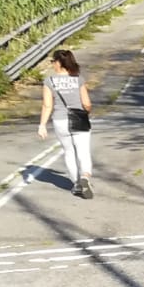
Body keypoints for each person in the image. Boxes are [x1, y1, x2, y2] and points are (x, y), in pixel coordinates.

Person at [39, 48, 94, 198]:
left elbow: (47, 105)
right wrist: (86, 112)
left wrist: (42, 125)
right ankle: (85, 178)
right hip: (79, 118)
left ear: (58, 63)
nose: (52, 64)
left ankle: (76, 183)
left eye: (52, 62)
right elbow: (86, 103)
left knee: (69, 152)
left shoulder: (49, 81)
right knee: (83, 151)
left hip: (60, 120)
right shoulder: (78, 79)